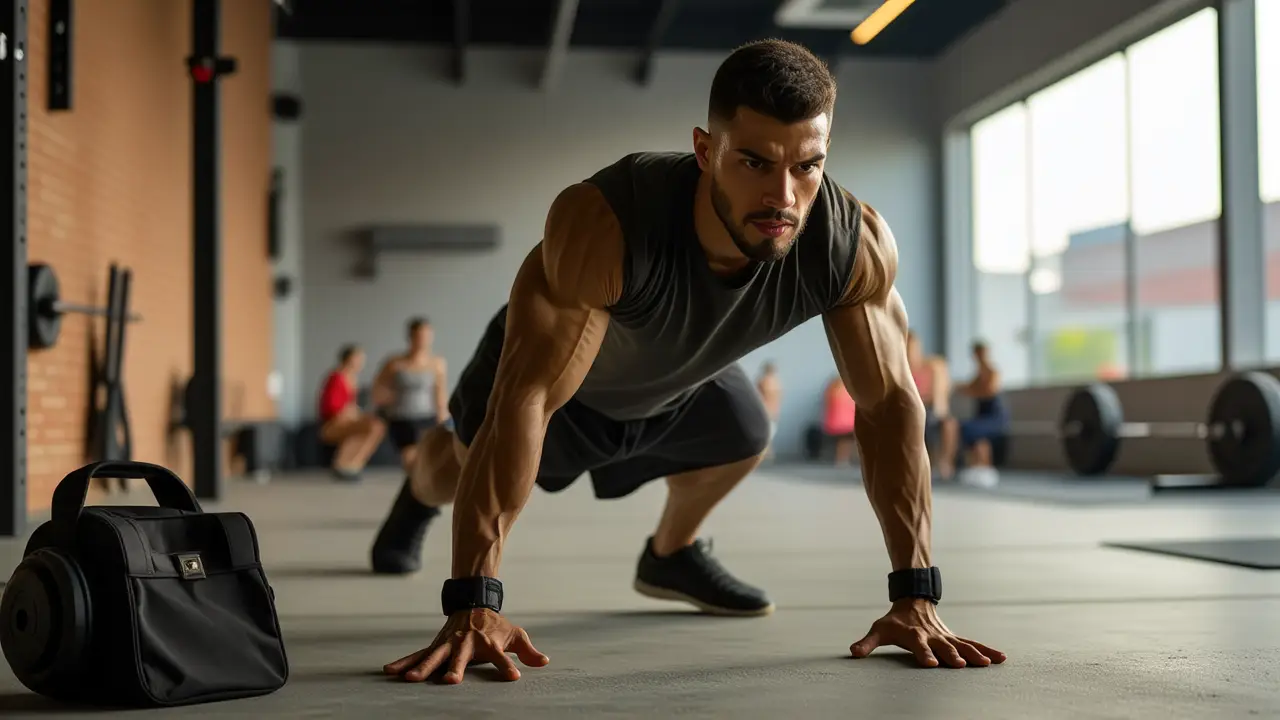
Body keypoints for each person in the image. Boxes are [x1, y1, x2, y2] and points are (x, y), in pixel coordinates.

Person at [372, 39, 1005, 685]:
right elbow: (526, 399)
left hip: (681, 382)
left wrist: (916, 595)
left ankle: (670, 555)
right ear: (706, 151)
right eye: (754, 162)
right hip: (565, 387)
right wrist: (474, 603)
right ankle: (413, 501)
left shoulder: (850, 244)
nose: (783, 197)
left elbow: (890, 405)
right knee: (453, 463)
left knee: (745, 431)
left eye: (806, 166)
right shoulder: (607, 225)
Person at [372, 317, 449, 471]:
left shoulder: (437, 363)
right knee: (409, 455)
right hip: (401, 417)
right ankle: (412, 480)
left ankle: (416, 482)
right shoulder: (395, 363)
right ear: (411, 337)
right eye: (419, 336)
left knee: (426, 456)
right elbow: (378, 388)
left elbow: (440, 392)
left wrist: (443, 417)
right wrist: (388, 398)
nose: (423, 340)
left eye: (426, 336)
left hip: (426, 416)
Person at [317, 345, 386, 480]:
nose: (361, 362)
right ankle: (343, 464)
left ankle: (353, 464)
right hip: (331, 425)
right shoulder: (337, 378)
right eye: (358, 358)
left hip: (347, 421)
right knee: (373, 426)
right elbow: (331, 408)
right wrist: (350, 414)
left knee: (376, 426)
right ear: (349, 358)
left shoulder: (352, 379)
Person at [907, 330, 959, 479]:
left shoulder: (933, 366)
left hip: (931, 409)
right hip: (910, 410)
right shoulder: (900, 370)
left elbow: (942, 396)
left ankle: (945, 464)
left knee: (949, 424)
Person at [954, 341, 1009, 484]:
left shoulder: (993, 372)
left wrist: (971, 391)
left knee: (969, 430)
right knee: (965, 429)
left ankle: (984, 466)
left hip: (995, 418)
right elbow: (968, 388)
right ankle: (975, 465)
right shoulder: (978, 375)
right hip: (981, 416)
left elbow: (989, 391)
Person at [821, 375, 858, 466]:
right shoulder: (845, 392)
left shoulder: (831, 391)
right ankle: (843, 459)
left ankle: (841, 458)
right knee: (846, 441)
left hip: (834, 424)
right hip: (846, 424)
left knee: (844, 441)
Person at [755, 361, 782, 459]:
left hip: (765, 410)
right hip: (771, 410)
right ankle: (767, 452)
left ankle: (766, 452)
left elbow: (756, 396)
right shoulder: (776, 382)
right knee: (768, 432)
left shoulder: (763, 381)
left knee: (766, 432)